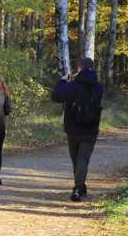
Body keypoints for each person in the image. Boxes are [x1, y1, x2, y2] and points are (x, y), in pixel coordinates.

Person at [51, 57, 103, 202]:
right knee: (83, 159)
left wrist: (62, 81)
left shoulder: (72, 85)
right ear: (92, 68)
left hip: (73, 128)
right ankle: (80, 187)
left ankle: (78, 188)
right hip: (91, 128)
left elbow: (55, 96)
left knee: (76, 160)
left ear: (79, 68)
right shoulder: (98, 87)